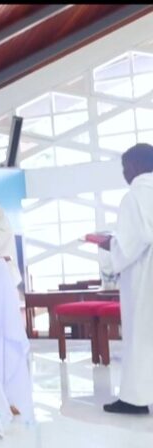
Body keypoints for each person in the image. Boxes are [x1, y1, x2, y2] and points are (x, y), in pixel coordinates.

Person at [99, 143, 153, 414]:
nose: (124, 173)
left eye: (125, 167)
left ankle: (135, 399)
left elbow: (132, 243)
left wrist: (109, 244)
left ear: (137, 165)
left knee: (140, 334)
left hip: (145, 275)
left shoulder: (135, 196)